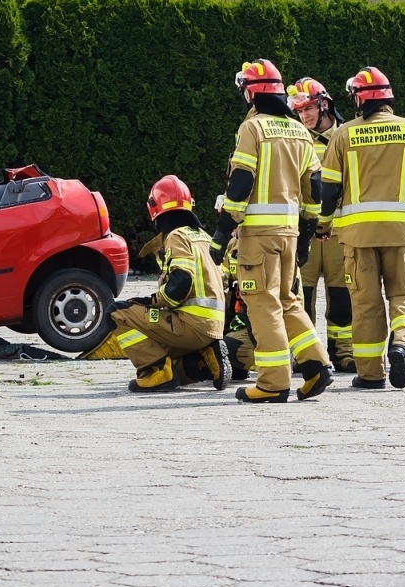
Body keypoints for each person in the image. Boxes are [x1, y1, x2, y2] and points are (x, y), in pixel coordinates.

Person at [213, 59, 334, 404]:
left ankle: (272, 382)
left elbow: (241, 181)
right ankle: (316, 366)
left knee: (262, 304)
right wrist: (307, 235)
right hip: (289, 234)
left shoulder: (253, 128)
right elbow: (315, 188)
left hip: (258, 237)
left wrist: (221, 236)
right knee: (288, 301)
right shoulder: (298, 130)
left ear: (251, 92)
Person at [317, 67, 405, 390]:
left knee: (366, 305)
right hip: (401, 235)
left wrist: (322, 226)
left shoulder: (344, 135)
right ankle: (402, 347)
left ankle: (370, 374)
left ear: (358, 99)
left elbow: (328, 190)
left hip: (358, 238)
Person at [113, 175, 227, 392]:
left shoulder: (176, 236)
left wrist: (152, 302)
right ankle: (202, 359)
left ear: (154, 208)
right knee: (164, 349)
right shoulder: (203, 236)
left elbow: (181, 282)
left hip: (190, 324)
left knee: (118, 313)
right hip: (214, 326)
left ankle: (157, 371)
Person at [287, 77, 355, 373]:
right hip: (308, 233)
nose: (305, 116)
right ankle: (307, 352)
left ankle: (344, 353)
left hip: (341, 232)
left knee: (342, 295)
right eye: (300, 111)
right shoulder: (297, 139)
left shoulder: (348, 135)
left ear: (324, 104)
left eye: (308, 109)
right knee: (304, 296)